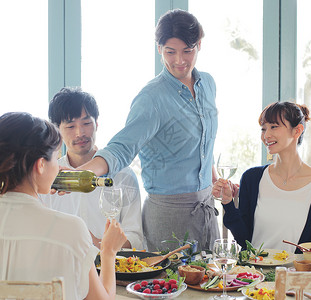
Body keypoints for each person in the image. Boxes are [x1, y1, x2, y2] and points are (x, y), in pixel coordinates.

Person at [73, 9, 219, 251]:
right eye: (170, 52)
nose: (179, 60)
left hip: (206, 210)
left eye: (187, 50)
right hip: (168, 215)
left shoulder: (208, 84)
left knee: (212, 286)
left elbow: (205, 142)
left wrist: (215, 181)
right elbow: (121, 148)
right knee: (172, 286)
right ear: (159, 48)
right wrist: (81, 175)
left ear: (199, 45)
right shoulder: (151, 97)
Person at [0, 112, 127, 300]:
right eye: (55, 157)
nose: (59, 167)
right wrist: (108, 252)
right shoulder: (71, 229)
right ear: (40, 165)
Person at [213, 101, 311, 254]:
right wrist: (227, 202)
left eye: (274, 127)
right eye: (263, 129)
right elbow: (244, 238)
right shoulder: (252, 178)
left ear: (297, 131)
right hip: (254, 274)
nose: (266, 135)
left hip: (295, 275)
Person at [41, 87, 143, 250]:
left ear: (96, 124)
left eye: (86, 123)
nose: (80, 133)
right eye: (70, 126)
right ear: (57, 130)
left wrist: (99, 244)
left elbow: (136, 237)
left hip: (111, 268)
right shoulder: (50, 177)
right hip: (61, 267)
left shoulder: (123, 175)